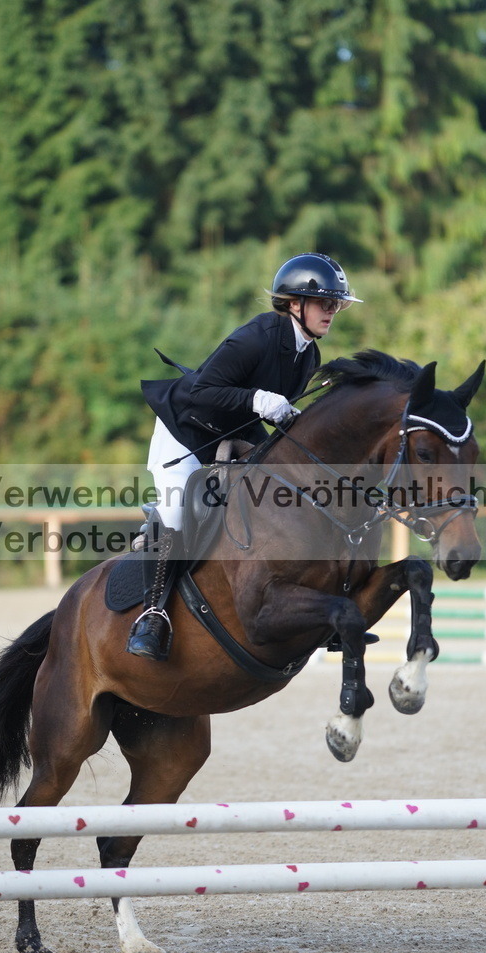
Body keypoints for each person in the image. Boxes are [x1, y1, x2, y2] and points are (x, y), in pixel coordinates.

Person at [126, 252, 363, 661]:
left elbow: (272, 413)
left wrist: (293, 419)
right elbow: (201, 390)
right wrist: (258, 399)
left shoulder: (309, 354)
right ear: (294, 304)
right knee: (180, 512)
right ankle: (152, 613)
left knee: (279, 499)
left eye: (335, 304)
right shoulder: (257, 335)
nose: (332, 311)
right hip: (185, 433)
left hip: (235, 434)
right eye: (324, 303)